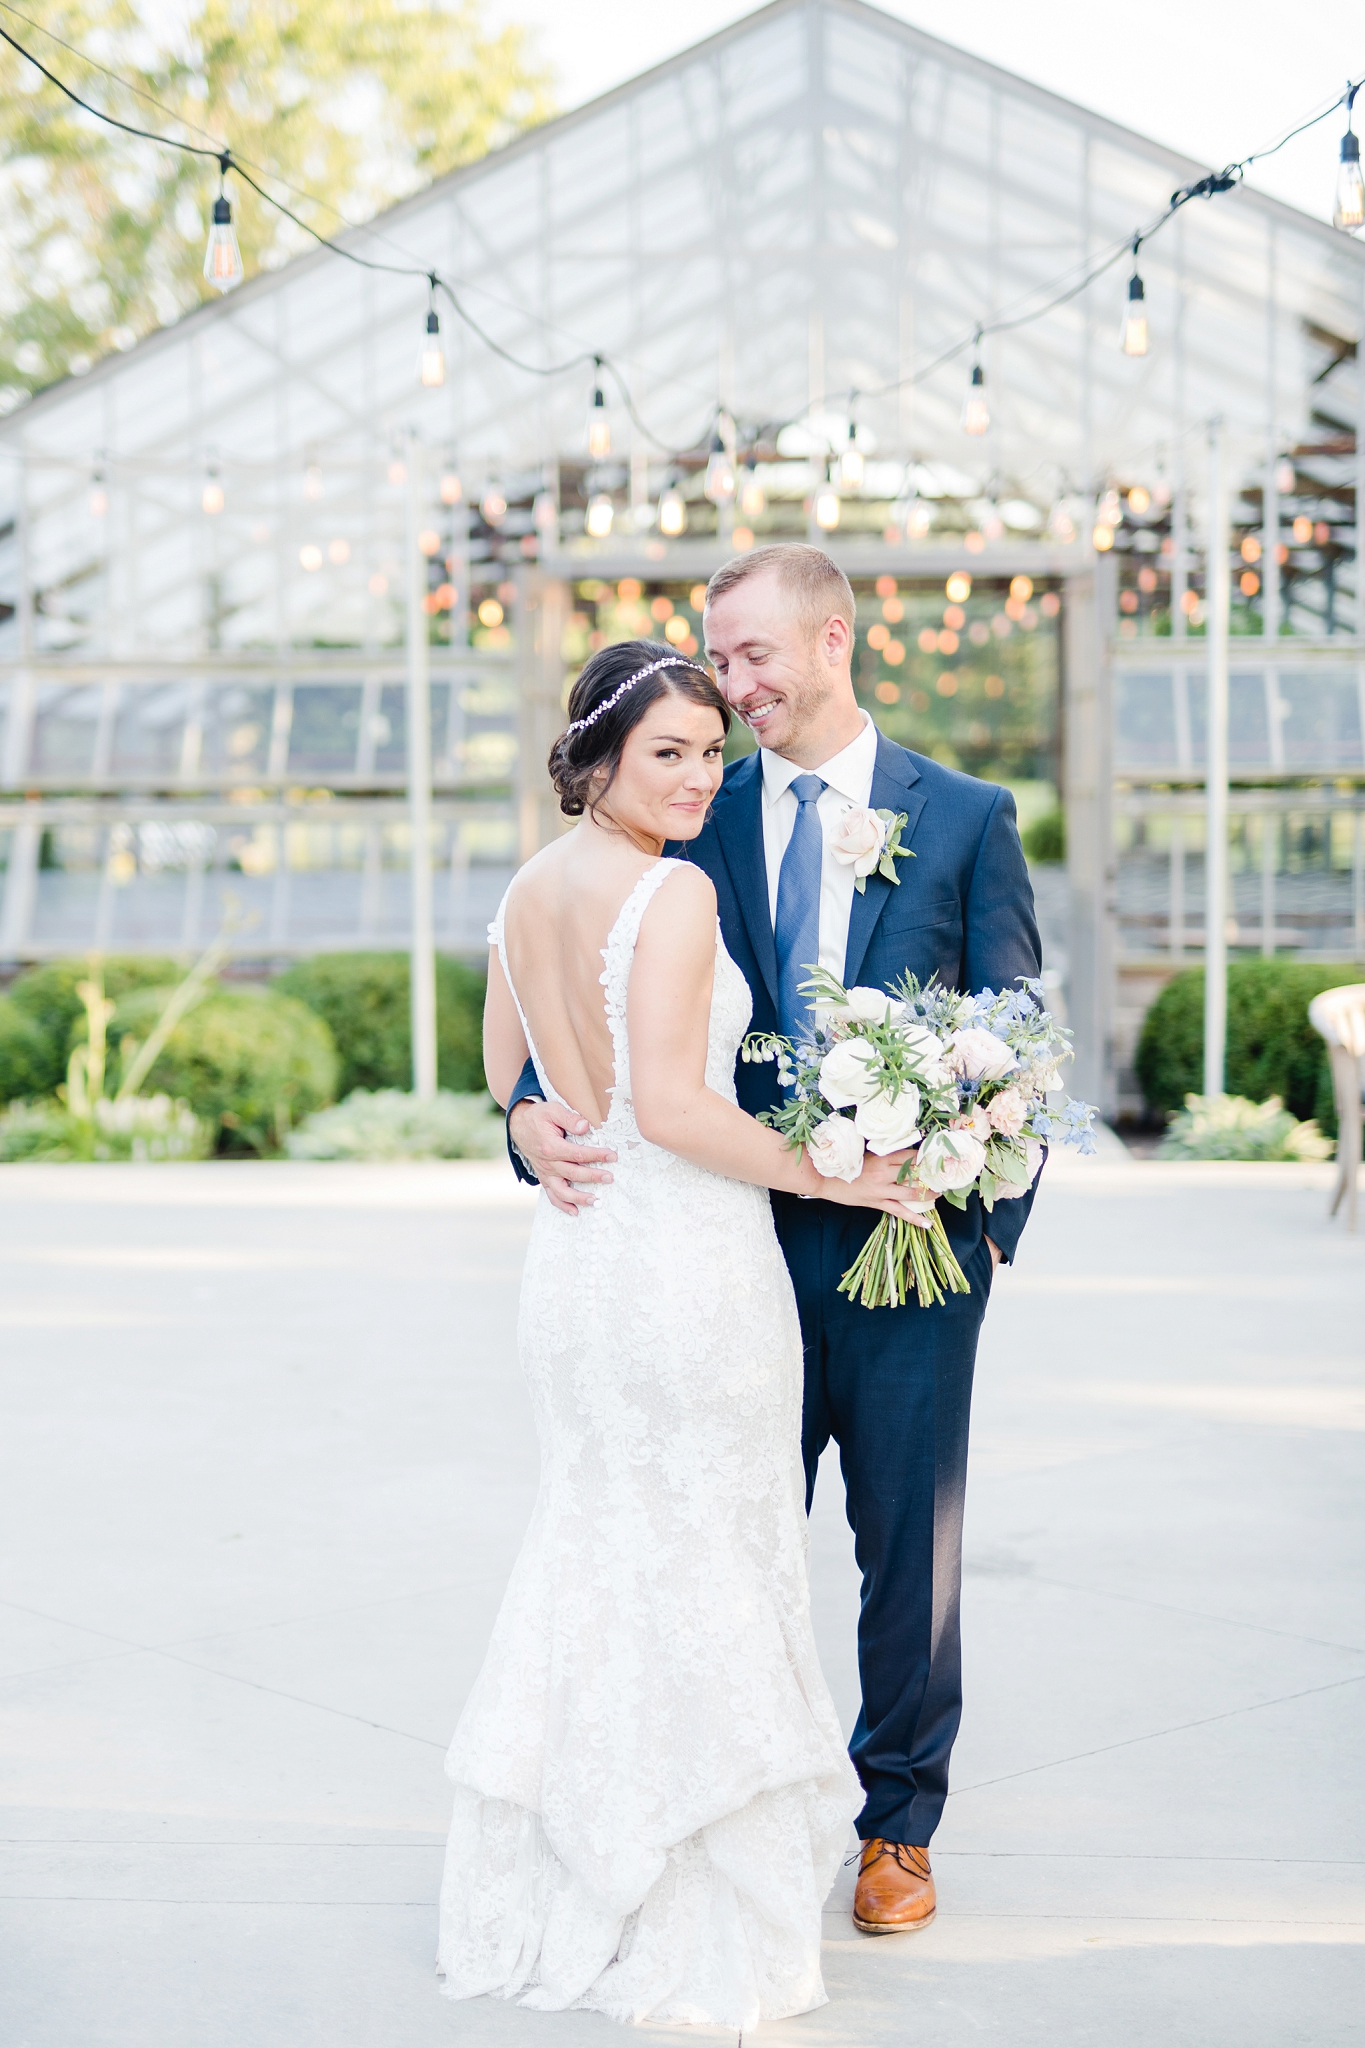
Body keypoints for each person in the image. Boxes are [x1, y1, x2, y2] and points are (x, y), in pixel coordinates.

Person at [508, 545, 1042, 1939]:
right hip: (723, 1243)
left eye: (751, 655)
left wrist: (984, 1225)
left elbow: (1018, 1031)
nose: (731, 686)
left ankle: (895, 1826)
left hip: (907, 1250)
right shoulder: (687, 807)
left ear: (832, 639)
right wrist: (524, 1118)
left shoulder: (966, 816)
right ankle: (721, 1813)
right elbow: (587, 990)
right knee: (726, 1545)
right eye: (717, 658)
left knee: (907, 1549)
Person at [438, 641, 926, 2028]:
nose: (702, 778)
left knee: (598, 1546)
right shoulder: (673, 891)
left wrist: (534, 1123)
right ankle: (681, 1891)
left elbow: (507, 1071)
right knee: (706, 1554)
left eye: (713, 752)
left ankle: (575, 1870)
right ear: (596, 759)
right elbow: (674, 1108)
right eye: (668, 753)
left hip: (579, 1266)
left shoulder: (528, 889)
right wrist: (841, 1174)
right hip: (686, 1269)